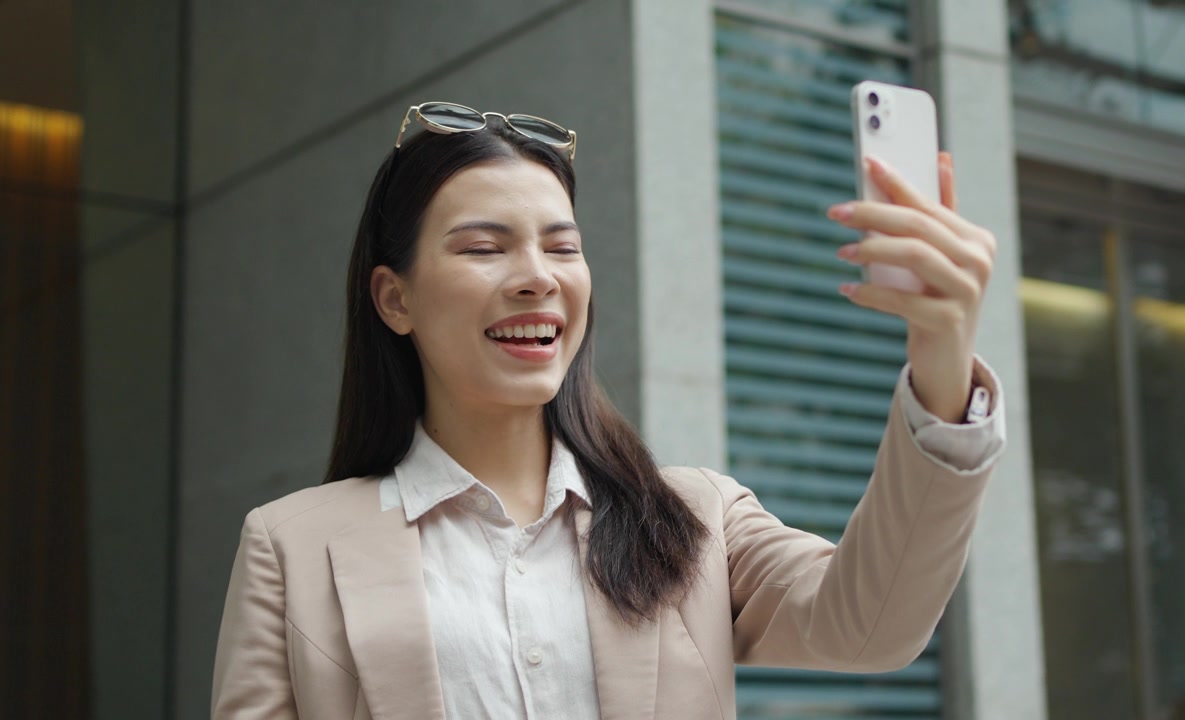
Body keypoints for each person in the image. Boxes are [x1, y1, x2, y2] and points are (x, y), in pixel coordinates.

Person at [211, 101, 1006, 719]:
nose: (537, 277)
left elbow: (874, 625)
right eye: (484, 248)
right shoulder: (292, 546)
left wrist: (942, 364)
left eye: (561, 247)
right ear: (394, 298)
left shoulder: (695, 520)